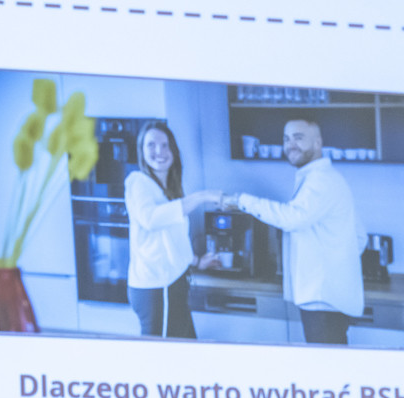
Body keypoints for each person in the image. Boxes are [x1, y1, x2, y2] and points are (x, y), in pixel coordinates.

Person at [227, 117, 365, 345]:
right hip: (327, 298)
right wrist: (335, 266)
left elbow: (291, 218)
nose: (290, 145)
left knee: (325, 365)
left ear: (318, 143)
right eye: (286, 139)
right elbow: (359, 237)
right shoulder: (324, 178)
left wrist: (241, 200)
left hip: (322, 301)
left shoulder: (320, 181)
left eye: (298, 138)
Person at [124, 122, 220, 339]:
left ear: (173, 151)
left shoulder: (168, 191)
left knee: (187, 350)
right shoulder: (138, 182)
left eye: (165, 145)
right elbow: (150, 219)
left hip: (173, 284)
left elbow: (171, 241)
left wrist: (197, 261)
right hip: (157, 289)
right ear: (141, 150)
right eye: (151, 145)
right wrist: (202, 196)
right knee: (161, 357)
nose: (159, 151)